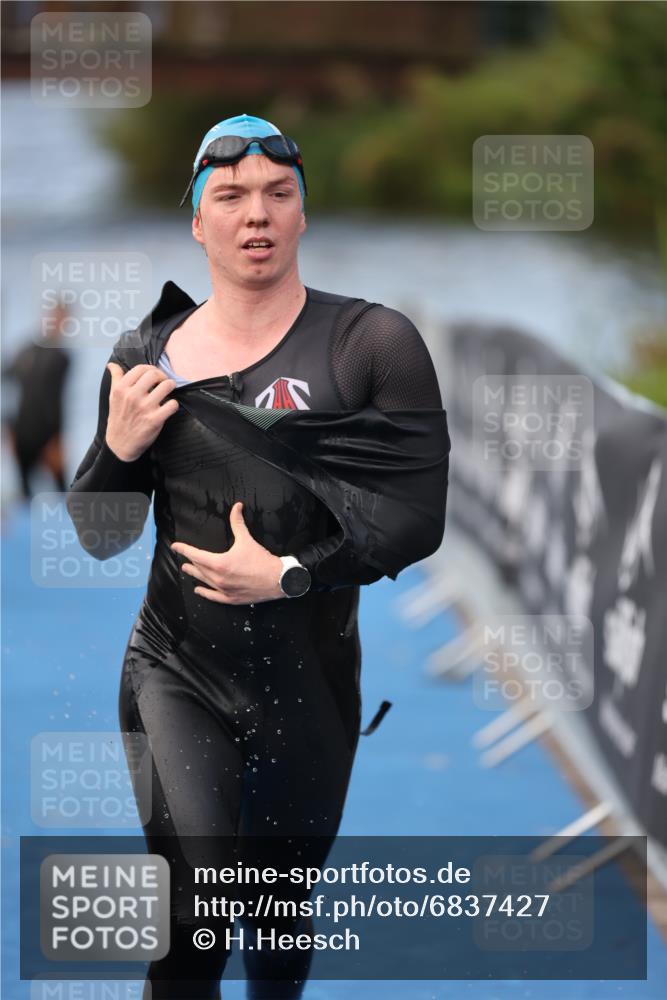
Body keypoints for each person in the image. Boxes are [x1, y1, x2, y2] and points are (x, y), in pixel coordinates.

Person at [66, 114, 449, 999]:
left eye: (279, 194)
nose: (257, 214)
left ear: (303, 214)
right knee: (196, 910)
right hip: (175, 670)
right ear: (197, 222)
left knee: (276, 927)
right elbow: (98, 532)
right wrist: (119, 448)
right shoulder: (143, 358)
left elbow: (416, 519)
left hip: (309, 679)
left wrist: (288, 575)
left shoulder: (371, 345)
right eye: (230, 196)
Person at [3, 300, 70, 500]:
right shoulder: (25, 353)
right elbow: (6, 385)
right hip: (22, 434)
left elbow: (57, 401)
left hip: (48, 437)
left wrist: (57, 439)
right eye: (54, 317)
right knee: (24, 496)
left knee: (63, 496)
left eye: (61, 319)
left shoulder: (62, 357)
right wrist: (8, 429)